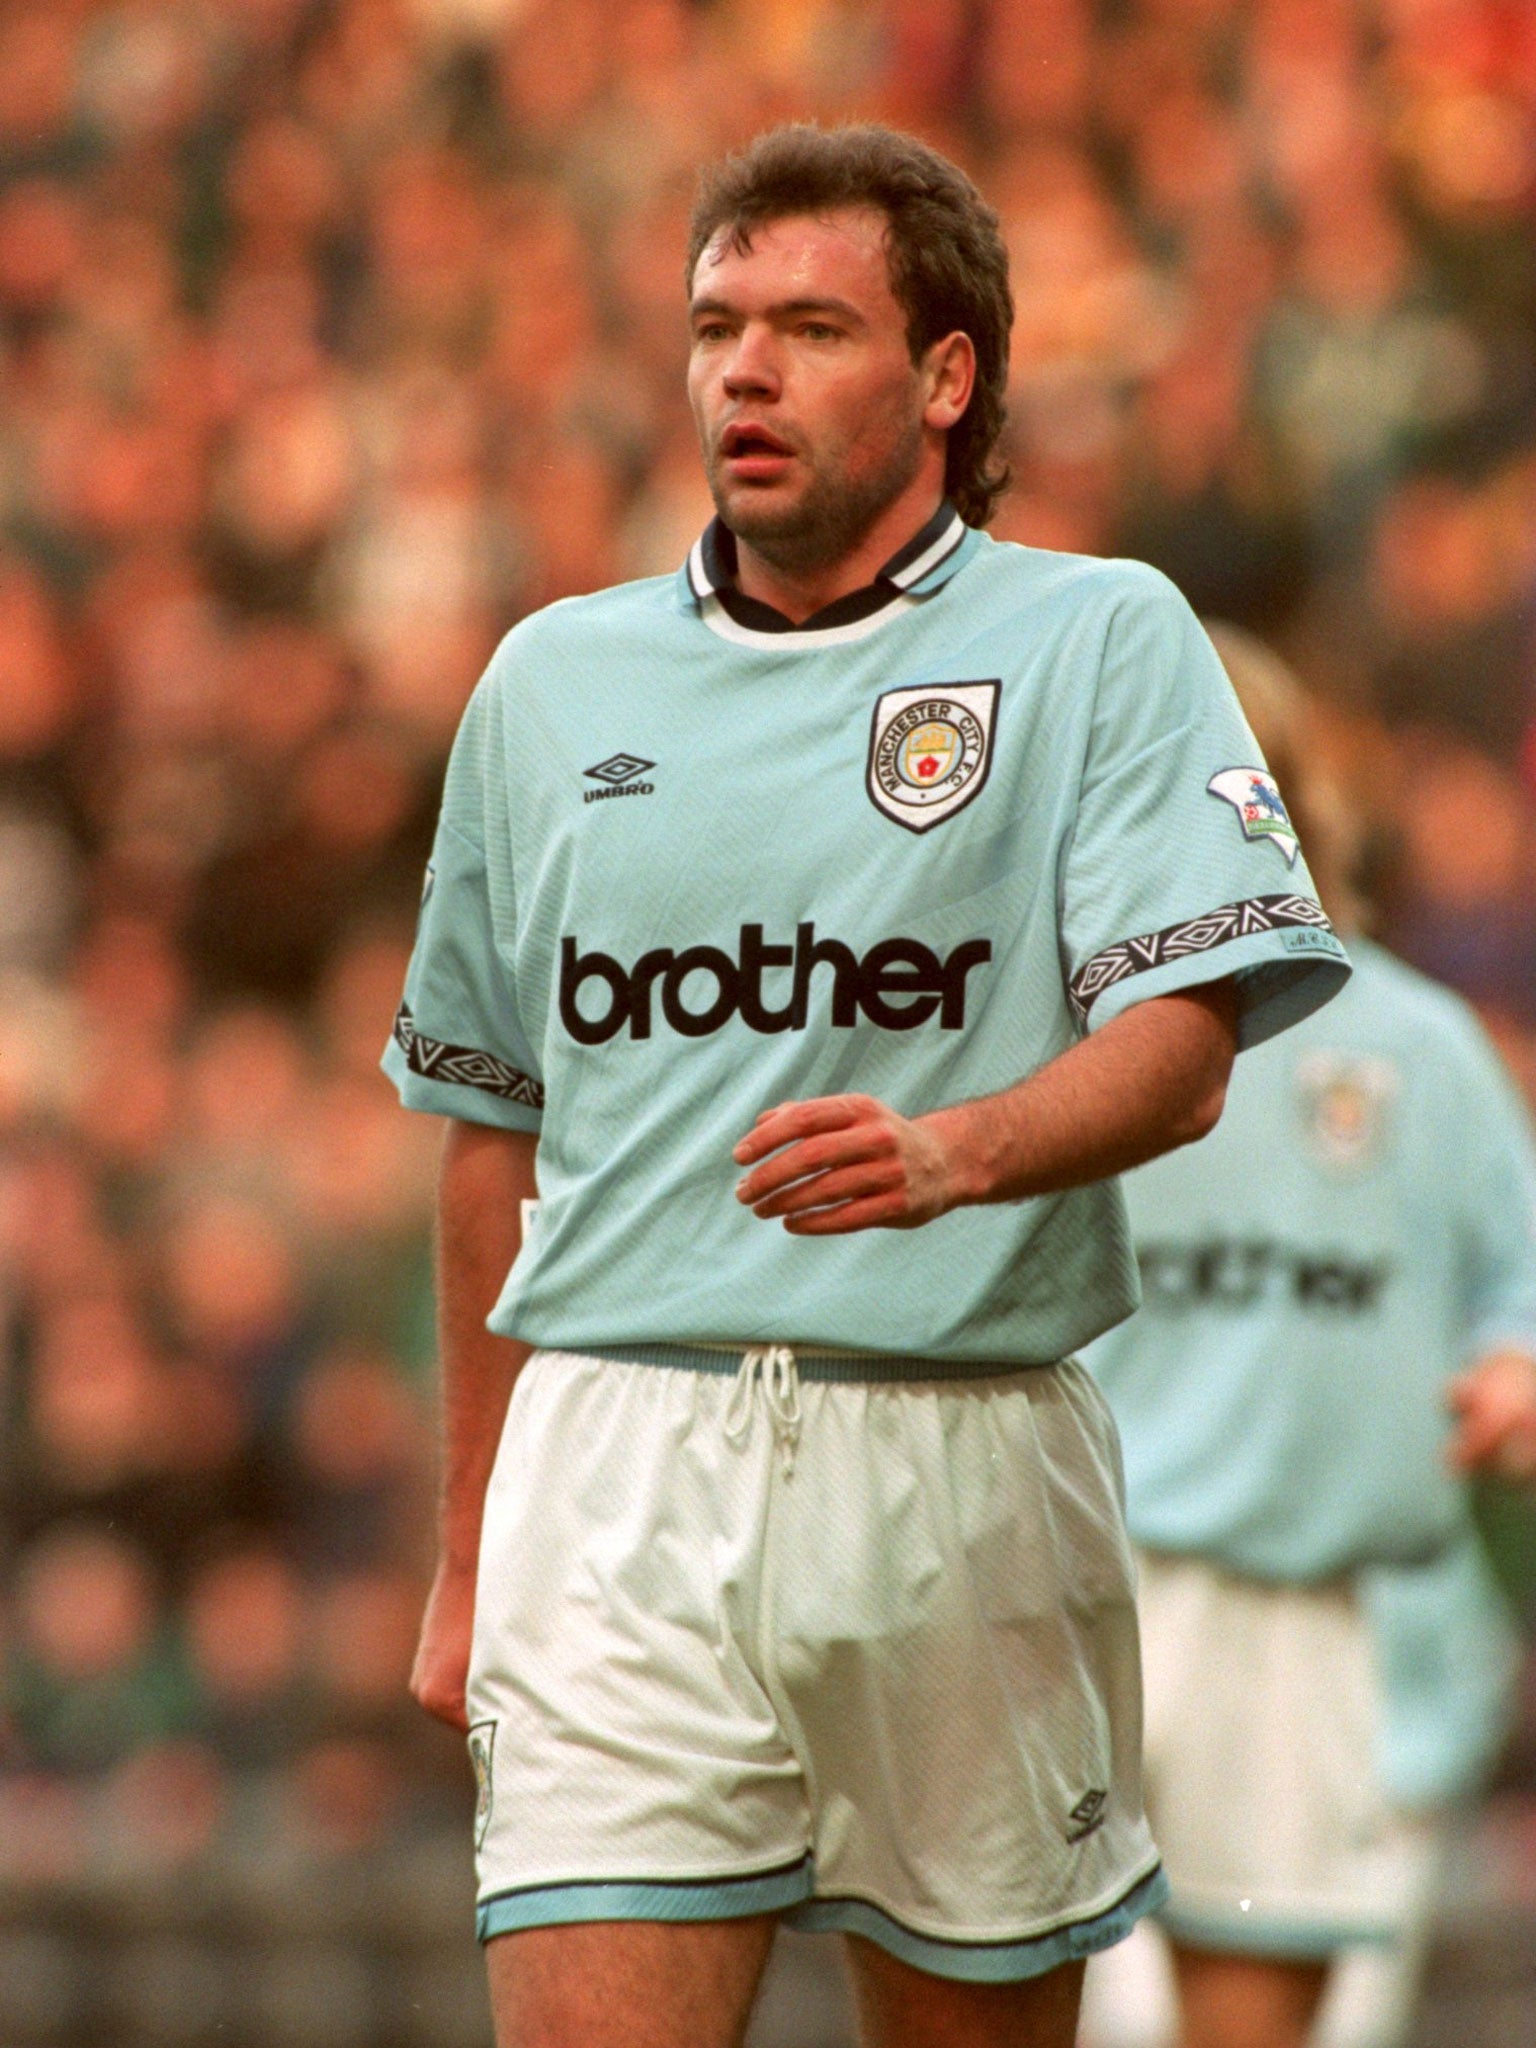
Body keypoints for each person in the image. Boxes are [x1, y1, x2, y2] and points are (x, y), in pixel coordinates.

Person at [381, 126, 1349, 2048]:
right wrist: (467, 1547)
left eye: (811, 327)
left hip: (963, 1457)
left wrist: (953, 1153)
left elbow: (1186, 1051)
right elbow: (489, 1124)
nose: (743, 370)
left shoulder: (1102, 639)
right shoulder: (550, 684)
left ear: (945, 375)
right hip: (618, 1471)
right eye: (715, 325)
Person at [1081, 625, 1536, 2048]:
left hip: (1305, 1602)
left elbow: (1517, 1282)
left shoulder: (1419, 1052)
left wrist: (1516, 1365)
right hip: (1067, 1585)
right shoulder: (1051, 1041)